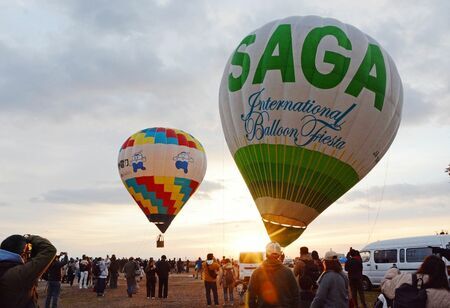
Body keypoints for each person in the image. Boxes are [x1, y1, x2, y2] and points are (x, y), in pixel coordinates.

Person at [0, 234, 57, 308]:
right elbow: (50, 250)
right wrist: (29, 238)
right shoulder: (19, 273)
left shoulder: (5, 268)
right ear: (23, 252)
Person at [381, 255, 450, 307]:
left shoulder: (404, 278)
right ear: (443, 273)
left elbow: (385, 284)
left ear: (423, 266)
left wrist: (393, 270)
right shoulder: (446, 295)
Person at [247, 242, 299, 307]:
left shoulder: (256, 272)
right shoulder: (288, 272)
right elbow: (296, 295)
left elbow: (251, 297)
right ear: (279, 255)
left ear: (266, 254)